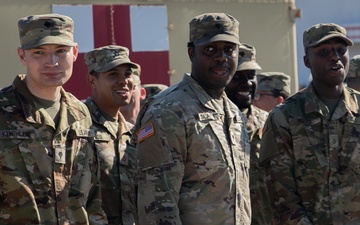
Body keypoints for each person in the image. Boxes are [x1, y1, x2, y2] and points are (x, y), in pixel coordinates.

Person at [133, 12, 251, 224]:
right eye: (210, 49)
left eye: (229, 49)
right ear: (191, 53)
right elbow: (157, 205)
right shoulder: (168, 111)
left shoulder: (233, 114)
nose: (221, 57)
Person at [0, 13, 107, 224]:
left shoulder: (80, 115)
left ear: (75, 52)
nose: (52, 62)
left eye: (61, 51)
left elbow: (92, 196)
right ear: (22, 56)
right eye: (39, 52)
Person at [259, 23, 360, 224]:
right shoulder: (285, 116)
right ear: (307, 61)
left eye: (341, 50)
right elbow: (281, 195)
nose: (334, 57)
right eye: (323, 52)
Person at [83, 45, 139, 225]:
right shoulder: (78, 127)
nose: (123, 81)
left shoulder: (132, 133)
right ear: (92, 81)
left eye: (127, 74)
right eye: (113, 74)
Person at [225, 43, 271, 225]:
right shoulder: (209, 122)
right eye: (238, 77)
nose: (247, 83)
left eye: (251, 76)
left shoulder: (268, 122)